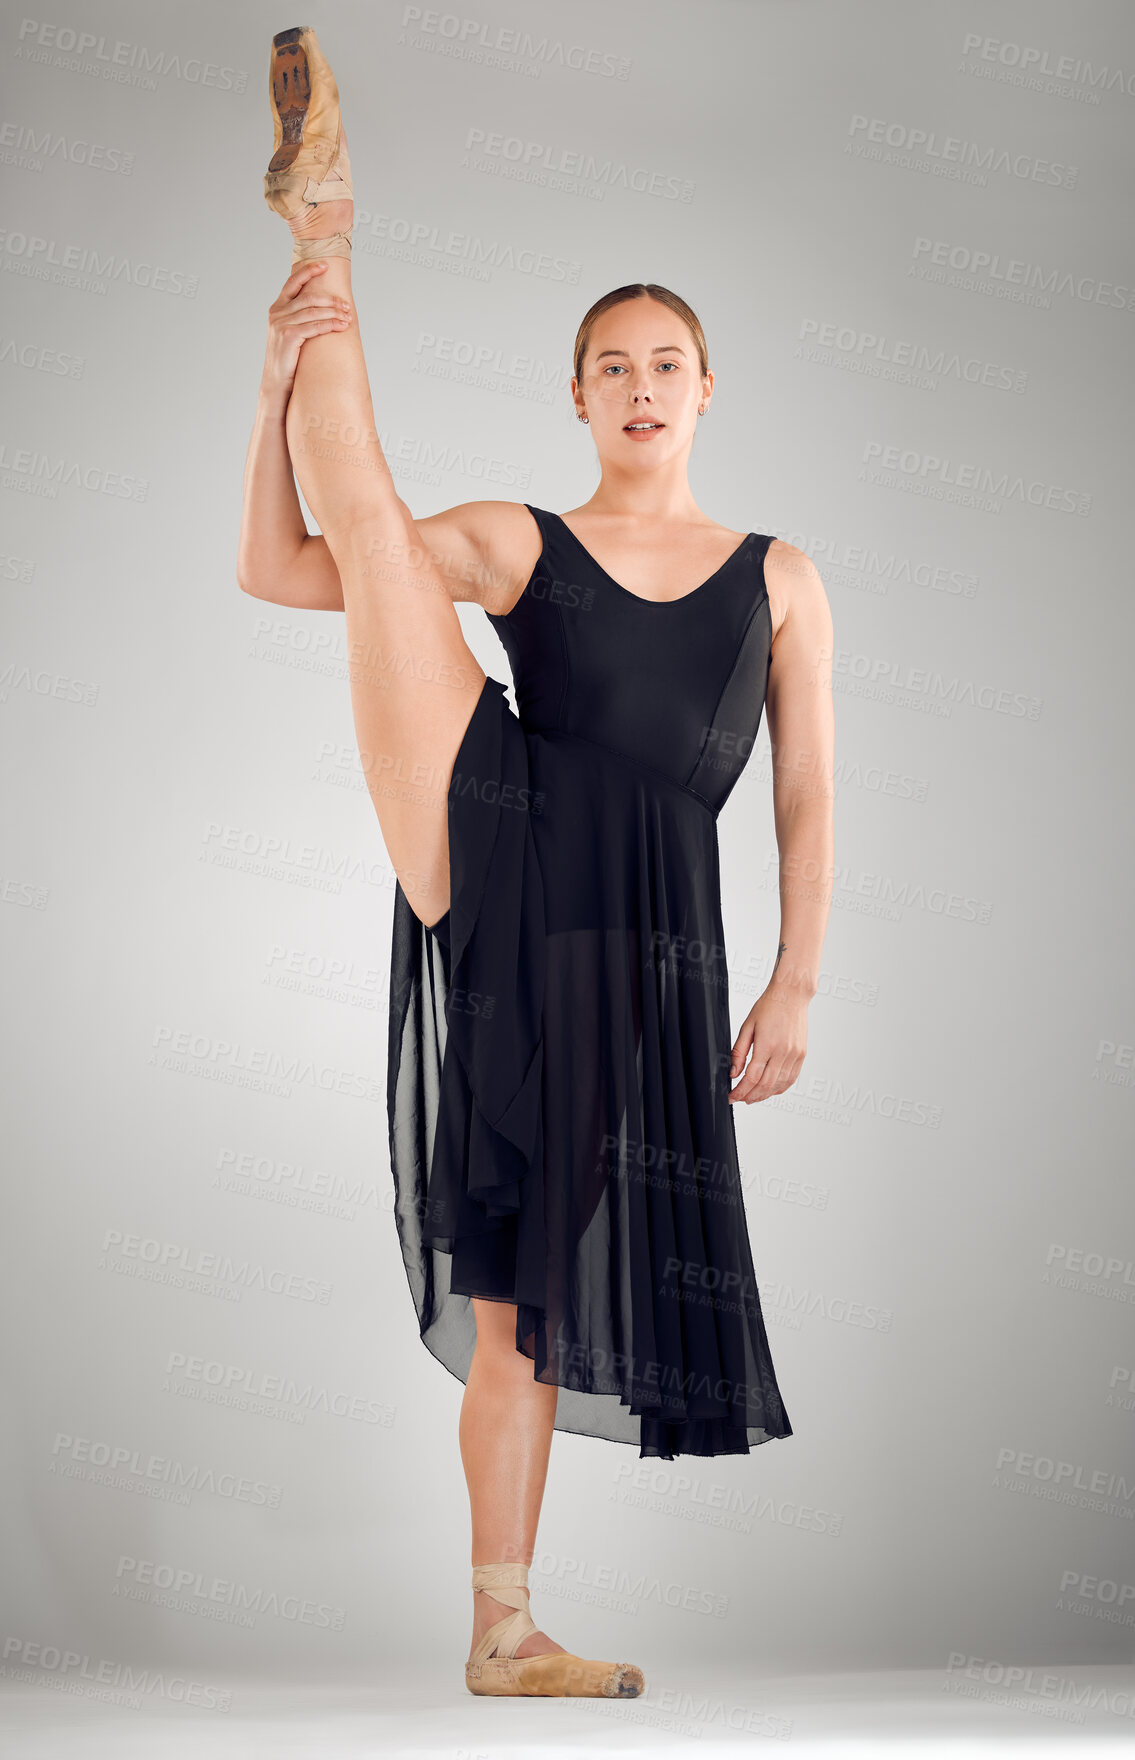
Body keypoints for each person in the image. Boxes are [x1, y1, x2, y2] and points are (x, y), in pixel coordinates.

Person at [238, 26, 835, 1699]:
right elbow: (290, 569)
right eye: (611, 365)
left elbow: (804, 798)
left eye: (667, 364)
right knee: (373, 523)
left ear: (707, 391)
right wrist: (274, 384)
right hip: (500, 828)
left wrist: (795, 973)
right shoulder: (524, 540)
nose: (641, 386)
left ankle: (504, 1631)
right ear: (578, 394)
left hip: (644, 946)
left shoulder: (783, 578)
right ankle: (323, 227)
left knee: (520, 1308)